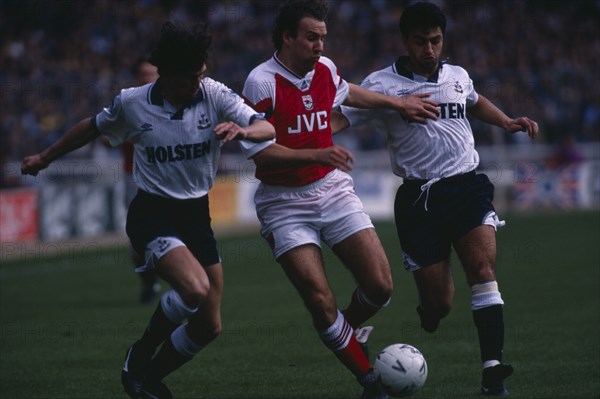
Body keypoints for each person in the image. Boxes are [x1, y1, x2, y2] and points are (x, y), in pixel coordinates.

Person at [21, 22, 276, 399]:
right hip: (152, 215)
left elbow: (266, 127)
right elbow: (91, 127)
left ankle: (147, 379)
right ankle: (138, 356)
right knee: (194, 288)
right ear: (167, 74)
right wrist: (45, 157)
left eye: (202, 74)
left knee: (209, 325)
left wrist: (244, 132)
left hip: (195, 216)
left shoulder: (214, 94)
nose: (198, 83)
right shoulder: (132, 102)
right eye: (191, 77)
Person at [335, 2, 539, 396]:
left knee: (482, 269)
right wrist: (309, 139)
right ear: (405, 42)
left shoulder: (457, 75)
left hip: (466, 186)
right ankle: (428, 316)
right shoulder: (381, 84)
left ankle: (492, 370)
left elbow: (474, 102)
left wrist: (507, 120)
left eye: (435, 40)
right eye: (420, 41)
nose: (429, 48)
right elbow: (343, 116)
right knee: (440, 304)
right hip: (419, 200)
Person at [241, 1, 439, 398]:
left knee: (381, 286)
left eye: (322, 38)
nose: (319, 45)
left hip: (331, 189)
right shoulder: (261, 82)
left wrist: (400, 103)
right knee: (319, 299)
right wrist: (316, 152)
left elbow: (351, 93)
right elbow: (260, 153)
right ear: (288, 38)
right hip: (283, 204)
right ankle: (370, 381)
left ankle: (346, 331)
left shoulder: (325, 70)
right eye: (312, 37)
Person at [128, 58, 161, 304]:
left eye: (151, 73)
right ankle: (149, 283)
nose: (147, 78)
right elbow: (105, 136)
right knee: (138, 240)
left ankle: (183, 283)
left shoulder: (167, 102)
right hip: (133, 177)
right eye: (143, 73)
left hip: (165, 176)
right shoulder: (128, 103)